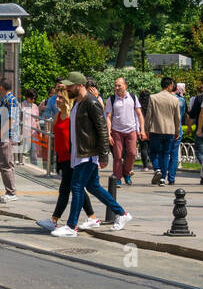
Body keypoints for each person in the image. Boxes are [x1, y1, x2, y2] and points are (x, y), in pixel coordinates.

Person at [52, 75, 132, 237]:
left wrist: (103, 156)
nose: (67, 89)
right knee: (93, 186)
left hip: (88, 154)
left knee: (77, 186)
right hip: (80, 153)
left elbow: (102, 129)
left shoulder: (91, 103)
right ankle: (122, 214)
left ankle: (71, 226)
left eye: (70, 86)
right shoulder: (78, 104)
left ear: (80, 85)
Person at [37, 73, 97, 232]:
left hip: (72, 157)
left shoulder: (72, 116)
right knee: (77, 188)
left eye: (60, 98)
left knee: (67, 189)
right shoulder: (58, 116)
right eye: (57, 97)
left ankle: (55, 220)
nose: (57, 100)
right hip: (62, 158)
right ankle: (92, 217)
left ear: (67, 100)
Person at [104, 77, 145, 186]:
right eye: (115, 85)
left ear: (125, 86)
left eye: (119, 85)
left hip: (131, 130)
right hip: (116, 130)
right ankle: (117, 177)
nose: (116, 88)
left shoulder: (132, 97)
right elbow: (108, 117)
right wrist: (108, 134)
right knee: (117, 155)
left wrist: (142, 130)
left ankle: (126, 172)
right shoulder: (111, 99)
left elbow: (139, 114)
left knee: (132, 153)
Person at [146, 77, 182, 185]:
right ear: (170, 85)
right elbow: (177, 117)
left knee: (153, 152)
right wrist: (177, 130)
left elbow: (148, 115)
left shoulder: (153, 97)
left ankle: (157, 169)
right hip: (169, 130)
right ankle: (163, 178)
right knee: (166, 154)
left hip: (156, 129)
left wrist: (146, 129)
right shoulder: (175, 99)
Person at [0, 81, 19, 202]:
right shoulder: (7, 100)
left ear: (2, 88)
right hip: (4, 136)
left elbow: (11, 120)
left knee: (6, 164)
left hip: (6, 137)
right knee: (5, 164)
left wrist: (0, 133)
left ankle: (11, 192)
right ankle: (10, 191)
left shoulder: (10, 100)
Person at [21, 89, 39, 165]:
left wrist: (39, 131)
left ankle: (34, 165)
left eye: (35, 98)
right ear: (27, 97)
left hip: (34, 131)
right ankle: (23, 164)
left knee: (34, 150)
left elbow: (37, 120)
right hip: (25, 131)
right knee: (25, 150)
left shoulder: (35, 106)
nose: (33, 100)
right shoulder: (22, 106)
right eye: (32, 98)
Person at [136, 89, 153, 171]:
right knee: (151, 147)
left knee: (143, 147)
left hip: (141, 127)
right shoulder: (151, 104)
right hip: (150, 128)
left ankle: (145, 166)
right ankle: (153, 163)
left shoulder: (138, 105)